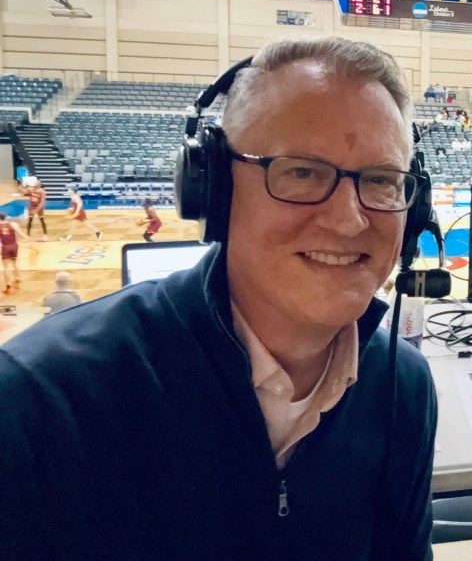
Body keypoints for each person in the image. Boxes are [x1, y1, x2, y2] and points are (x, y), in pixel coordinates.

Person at [0, 37, 438, 559]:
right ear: (214, 189)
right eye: (301, 171)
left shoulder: (402, 386)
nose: (349, 220)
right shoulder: (37, 399)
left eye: (381, 180)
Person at [0, 213, 30, 295]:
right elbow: (21, 234)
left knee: (6, 267)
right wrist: (26, 238)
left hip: (5, 247)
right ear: (5, 217)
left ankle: (8, 285)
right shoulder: (13, 224)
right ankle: (17, 278)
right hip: (14, 246)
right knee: (14, 263)